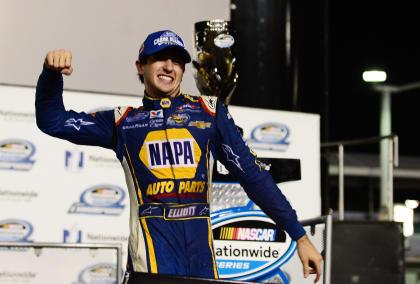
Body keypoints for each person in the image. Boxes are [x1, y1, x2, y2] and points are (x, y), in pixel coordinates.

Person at [35, 30, 323, 283]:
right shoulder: (123, 122)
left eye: (177, 60)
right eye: (159, 58)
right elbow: (53, 121)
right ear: (141, 66)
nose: (169, 66)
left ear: (184, 70)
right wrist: (50, 76)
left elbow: (253, 174)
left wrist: (298, 234)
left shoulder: (210, 113)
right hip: (149, 265)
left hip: (201, 266)